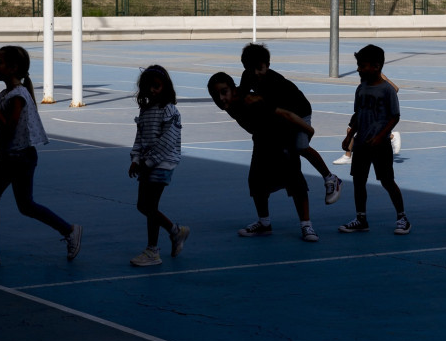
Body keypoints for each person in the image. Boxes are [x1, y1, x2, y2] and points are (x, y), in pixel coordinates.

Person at [0, 46, 82, 267]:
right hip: (18, 155)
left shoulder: (17, 96)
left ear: (13, 68)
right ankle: (69, 230)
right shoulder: (11, 93)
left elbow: (9, 128)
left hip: (16, 157)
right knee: (25, 205)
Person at [208, 72, 320, 242]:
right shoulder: (230, 105)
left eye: (224, 92)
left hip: (282, 137)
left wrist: (308, 129)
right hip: (262, 140)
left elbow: (284, 113)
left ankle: (306, 224)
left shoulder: (251, 101)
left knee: (295, 181)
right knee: (256, 181)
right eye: (215, 95)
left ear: (234, 89)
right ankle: (264, 223)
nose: (220, 98)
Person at [239, 43, 342, 204]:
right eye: (251, 68)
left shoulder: (275, 83)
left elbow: (286, 114)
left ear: (268, 65)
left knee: (301, 146)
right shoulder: (247, 76)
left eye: (260, 68)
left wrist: (307, 129)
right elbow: (243, 95)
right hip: (281, 114)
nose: (256, 73)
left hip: (299, 112)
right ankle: (275, 182)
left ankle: (331, 178)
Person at [338, 45, 411, 236]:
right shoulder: (360, 89)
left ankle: (402, 217)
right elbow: (357, 115)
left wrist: (380, 136)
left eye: (363, 66)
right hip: (361, 143)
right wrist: (349, 136)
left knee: (387, 180)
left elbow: (395, 117)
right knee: (358, 181)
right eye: (359, 65)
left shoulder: (387, 90)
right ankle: (361, 218)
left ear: (376, 66)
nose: (359, 69)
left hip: (380, 145)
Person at [128, 65, 189, 267]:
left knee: (148, 206)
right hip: (147, 164)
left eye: (156, 86)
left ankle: (156, 248)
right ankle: (172, 234)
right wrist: (135, 160)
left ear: (165, 87)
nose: (152, 90)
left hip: (161, 164)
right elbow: (140, 138)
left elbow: (166, 142)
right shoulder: (145, 111)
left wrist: (147, 162)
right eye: (148, 87)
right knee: (144, 206)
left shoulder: (169, 110)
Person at [333, 73, 402, 165]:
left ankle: (392, 136)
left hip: (372, 110)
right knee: (352, 130)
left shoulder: (379, 75)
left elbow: (395, 89)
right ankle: (348, 155)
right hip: (364, 108)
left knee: (356, 130)